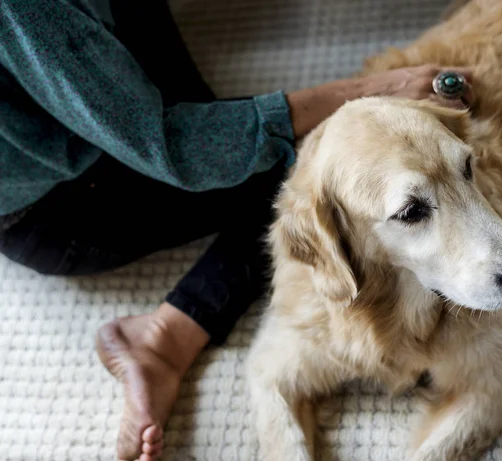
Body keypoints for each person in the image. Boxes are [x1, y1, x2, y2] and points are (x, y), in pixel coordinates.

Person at [0, 1, 475, 460]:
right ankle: (165, 338)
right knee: (311, 178)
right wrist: (371, 91)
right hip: (64, 206)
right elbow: (175, 145)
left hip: (83, 88)